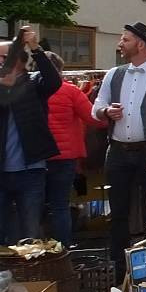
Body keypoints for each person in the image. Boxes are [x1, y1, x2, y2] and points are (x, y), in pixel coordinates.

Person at [0, 28, 61, 266]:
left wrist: (36, 48)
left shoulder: (34, 83)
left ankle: (29, 289)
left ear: (16, 61)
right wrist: (2, 89)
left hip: (30, 173)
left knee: (29, 237)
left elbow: (54, 81)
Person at [92, 22, 146, 281]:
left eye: (125, 40)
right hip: (118, 151)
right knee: (118, 212)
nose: (119, 44)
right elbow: (97, 106)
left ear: (140, 44)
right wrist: (105, 112)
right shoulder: (114, 74)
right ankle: (119, 271)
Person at [45, 51, 106, 248]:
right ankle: (62, 249)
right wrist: (111, 116)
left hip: (36, 157)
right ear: (61, 70)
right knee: (60, 205)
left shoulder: (30, 90)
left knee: (34, 206)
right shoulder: (71, 91)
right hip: (65, 157)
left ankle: (36, 249)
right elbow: (93, 119)